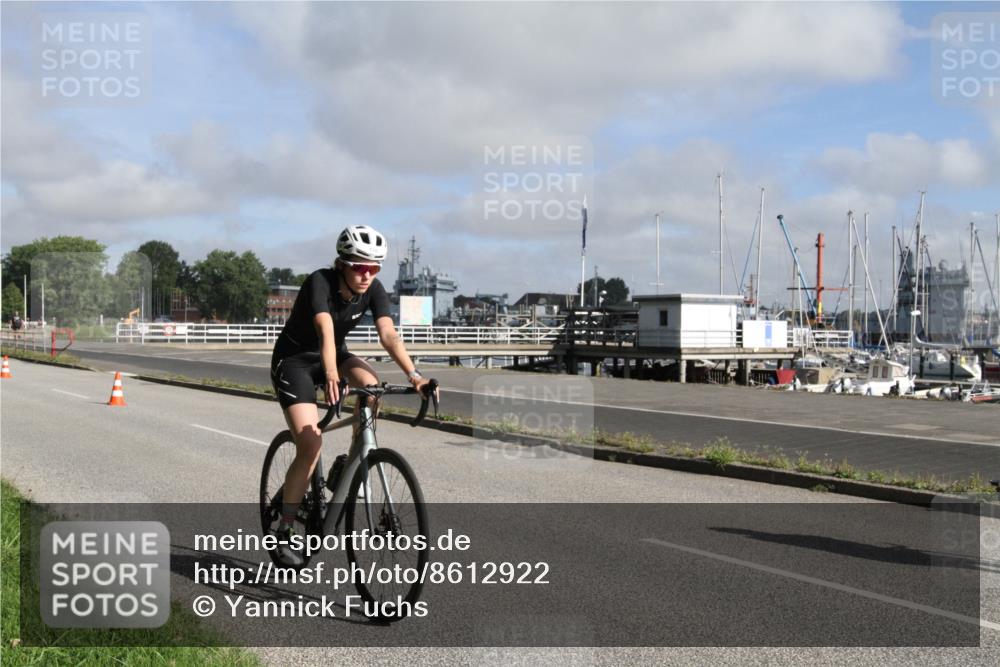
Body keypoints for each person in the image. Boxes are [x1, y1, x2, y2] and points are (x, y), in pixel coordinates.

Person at [269, 225, 437, 565]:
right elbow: (325, 330)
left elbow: (388, 335)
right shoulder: (320, 281)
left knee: (372, 387)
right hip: (296, 361)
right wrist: (332, 375)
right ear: (342, 264)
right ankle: (284, 528)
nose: (367, 275)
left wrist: (415, 376)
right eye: (360, 267)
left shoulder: (373, 289)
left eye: (374, 268)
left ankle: (351, 462)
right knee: (310, 444)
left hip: (337, 355)